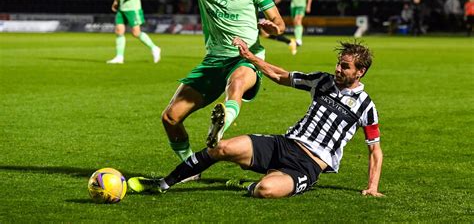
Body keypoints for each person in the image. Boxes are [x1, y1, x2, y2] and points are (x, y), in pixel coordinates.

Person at [92, 0, 286, 163]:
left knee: (237, 84)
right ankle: (190, 166)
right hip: (214, 61)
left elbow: (280, 23)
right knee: (170, 118)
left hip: (247, 57)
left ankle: (221, 125)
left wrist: (272, 29)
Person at [127, 38, 383, 199]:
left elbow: (375, 151)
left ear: (360, 71)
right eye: (338, 63)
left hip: (308, 165)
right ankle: (162, 184)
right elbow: (282, 76)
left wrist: (372, 187)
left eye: (345, 66)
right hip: (283, 144)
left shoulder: (366, 106)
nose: (338, 69)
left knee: (266, 190)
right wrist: (251, 58)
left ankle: (248, 185)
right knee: (220, 147)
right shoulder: (322, 81)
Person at [107, 0, 161, 64]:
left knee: (136, 33)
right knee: (119, 31)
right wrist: (115, 1)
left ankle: (154, 48)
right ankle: (119, 57)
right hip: (122, 7)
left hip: (133, 8)